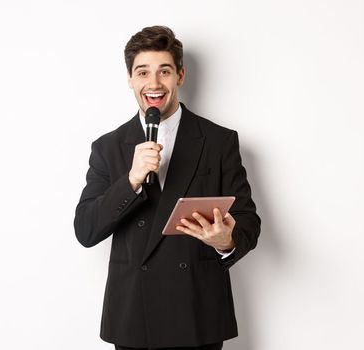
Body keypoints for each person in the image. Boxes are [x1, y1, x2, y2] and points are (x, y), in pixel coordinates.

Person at [73, 26, 261, 350]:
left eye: (165, 71)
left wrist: (226, 240)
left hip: (196, 313)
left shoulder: (218, 141)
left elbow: (249, 221)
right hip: (134, 319)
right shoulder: (108, 147)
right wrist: (130, 181)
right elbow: (86, 230)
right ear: (130, 79)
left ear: (180, 75)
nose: (154, 83)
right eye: (142, 72)